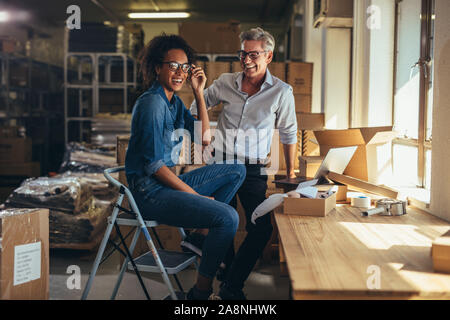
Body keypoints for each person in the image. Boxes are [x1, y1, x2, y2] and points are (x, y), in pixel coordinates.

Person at [125, 34, 246, 300]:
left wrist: (199, 93)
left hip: (165, 185)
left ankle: (199, 236)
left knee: (236, 168)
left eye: (184, 67)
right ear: (157, 67)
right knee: (227, 217)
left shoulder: (172, 101)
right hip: (149, 193)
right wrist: (195, 196)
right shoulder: (152, 104)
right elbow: (155, 167)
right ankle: (200, 295)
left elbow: (204, 138)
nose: (180, 72)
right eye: (173, 65)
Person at [190, 27, 298, 299]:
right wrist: (205, 136)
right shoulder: (225, 81)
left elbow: (289, 132)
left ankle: (230, 281)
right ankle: (229, 282)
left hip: (253, 169)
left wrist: (292, 171)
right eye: (243, 54)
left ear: (268, 56)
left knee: (261, 228)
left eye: (253, 54)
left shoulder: (281, 92)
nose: (247, 60)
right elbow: (195, 109)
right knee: (222, 221)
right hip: (222, 164)